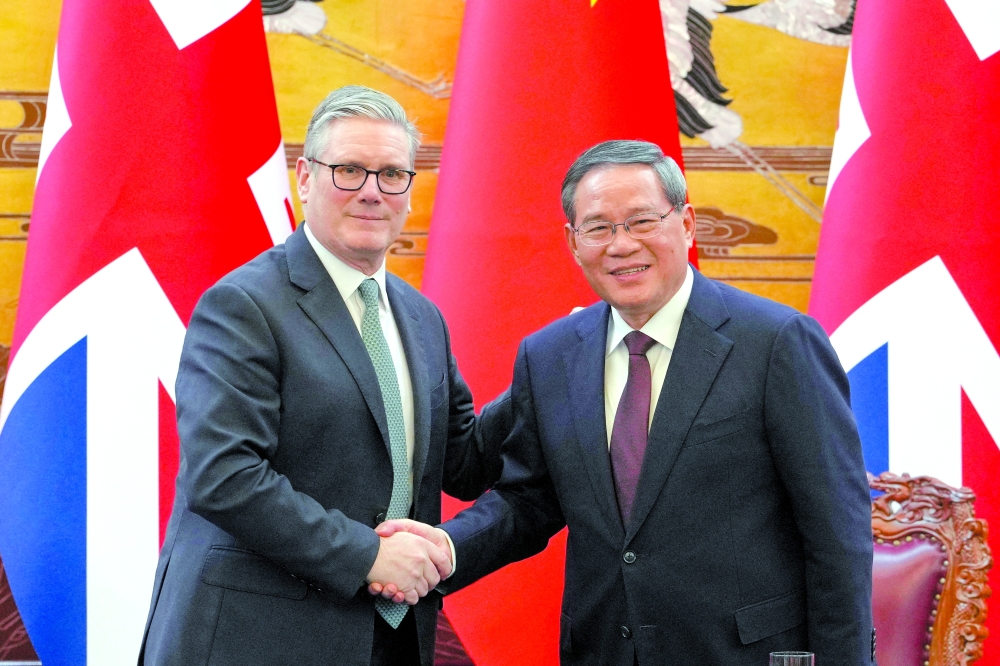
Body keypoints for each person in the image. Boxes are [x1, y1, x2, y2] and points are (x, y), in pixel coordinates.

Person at [376, 140, 875, 665]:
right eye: (599, 227)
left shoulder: (776, 343)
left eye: (641, 221)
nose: (621, 245)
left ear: (685, 224)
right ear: (573, 241)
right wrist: (445, 550)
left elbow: (836, 533)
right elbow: (529, 500)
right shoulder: (550, 355)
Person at [138, 85, 510, 666]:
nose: (371, 191)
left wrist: (556, 364)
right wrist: (366, 555)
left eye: (392, 174)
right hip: (256, 639)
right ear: (306, 179)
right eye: (349, 171)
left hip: (388, 640)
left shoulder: (421, 318)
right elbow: (223, 474)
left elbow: (463, 463)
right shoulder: (244, 305)